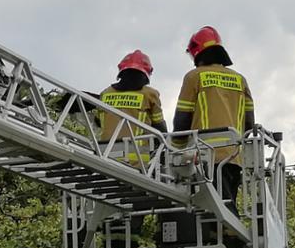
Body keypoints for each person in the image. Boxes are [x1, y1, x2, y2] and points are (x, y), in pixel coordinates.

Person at [173, 26, 255, 204]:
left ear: (197, 52)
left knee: (210, 208)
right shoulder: (240, 80)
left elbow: (182, 120)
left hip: (204, 157)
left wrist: (174, 151)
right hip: (234, 157)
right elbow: (249, 123)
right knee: (226, 204)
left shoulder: (194, 77)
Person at [97, 50, 164, 167]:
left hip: (105, 155)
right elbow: (160, 129)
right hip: (137, 161)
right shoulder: (150, 94)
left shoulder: (105, 93)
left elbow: (98, 122)